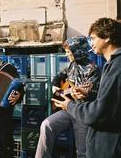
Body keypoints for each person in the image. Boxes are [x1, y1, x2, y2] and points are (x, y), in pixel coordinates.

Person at [52, 18, 121, 158]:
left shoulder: (115, 66)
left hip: (108, 146)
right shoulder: (110, 64)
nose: (91, 43)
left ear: (107, 37)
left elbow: (99, 111)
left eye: (93, 38)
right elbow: (107, 101)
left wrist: (69, 105)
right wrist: (85, 92)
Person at [35, 36, 101, 158]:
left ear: (77, 52)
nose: (66, 55)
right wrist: (56, 87)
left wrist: (84, 94)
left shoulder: (94, 70)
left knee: (83, 150)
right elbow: (58, 77)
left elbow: (95, 95)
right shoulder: (71, 66)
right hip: (67, 109)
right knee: (46, 125)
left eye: (68, 52)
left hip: (83, 112)